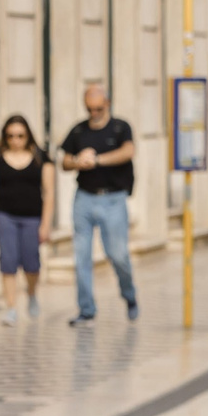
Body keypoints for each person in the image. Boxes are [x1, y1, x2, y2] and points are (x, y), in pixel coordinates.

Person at [58, 84, 139, 324]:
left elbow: (128, 152)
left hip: (113, 199)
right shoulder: (78, 131)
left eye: (98, 108)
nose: (94, 113)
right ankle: (86, 309)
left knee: (118, 254)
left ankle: (129, 295)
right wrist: (77, 162)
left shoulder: (120, 127)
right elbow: (64, 161)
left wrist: (97, 160)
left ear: (107, 104)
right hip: (84, 197)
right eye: (89, 109)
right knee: (81, 256)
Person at [0, 114, 55, 324]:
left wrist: (46, 224)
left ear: (28, 136)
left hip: (32, 216)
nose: (15, 140)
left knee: (32, 262)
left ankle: (31, 294)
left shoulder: (42, 158)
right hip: (4, 215)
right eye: (11, 136)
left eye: (20, 136)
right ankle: (11, 307)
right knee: (8, 260)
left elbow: (49, 193)